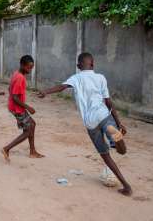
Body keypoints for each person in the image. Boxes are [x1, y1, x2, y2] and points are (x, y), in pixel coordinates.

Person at [36, 52, 132, 196]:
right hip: (105, 115)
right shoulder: (100, 78)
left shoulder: (76, 78)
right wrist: (119, 123)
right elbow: (109, 102)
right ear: (92, 64)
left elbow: (62, 87)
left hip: (91, 124)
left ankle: (127, 187)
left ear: (78, 65)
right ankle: (117, 138)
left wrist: (45, 91)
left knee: (105, 155)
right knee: (122, 151)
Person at [0, 55, 45, 161]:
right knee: (27, 132)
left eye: (32, 68)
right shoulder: (20, 77)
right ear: (22, 65)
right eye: (29, 68)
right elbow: (14, 97)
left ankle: (33, 152)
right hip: (17, 108)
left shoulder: (17, 74)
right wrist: (29, 108)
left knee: (32, 124)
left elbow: (9, 88)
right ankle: (6, 149)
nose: (30, 70)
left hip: (15, 106)